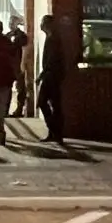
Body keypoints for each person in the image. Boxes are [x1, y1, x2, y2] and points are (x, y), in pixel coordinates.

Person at [37, 12, 69, 146]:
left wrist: (42, 75)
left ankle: (54, 130)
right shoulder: (52, 38)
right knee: (54, 104)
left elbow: (51, 61)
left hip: (51, 76)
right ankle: (55, 133)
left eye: (43, 23)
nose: (41, 25)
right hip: (53, 76)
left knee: (43, 102)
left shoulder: (53, 40)